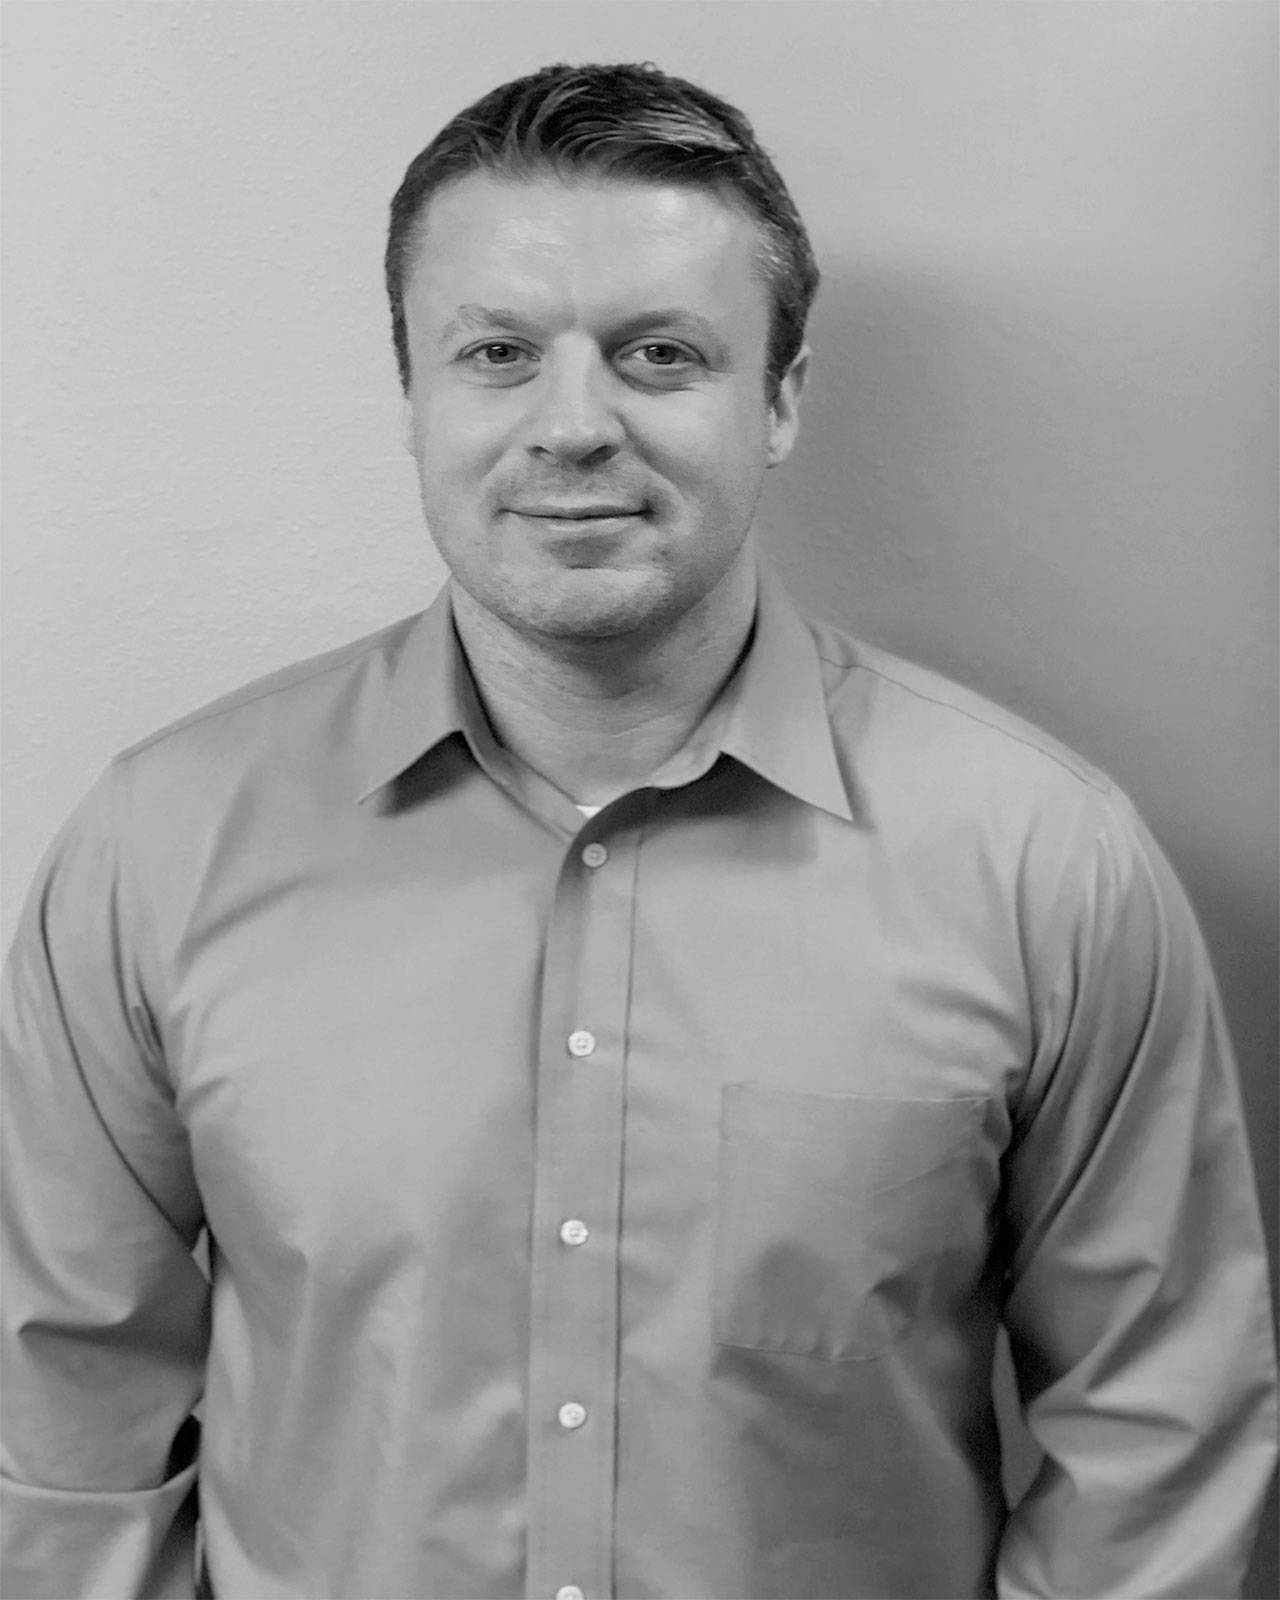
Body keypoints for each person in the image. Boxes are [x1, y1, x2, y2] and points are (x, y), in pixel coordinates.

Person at [1, 59, 1274, 1600]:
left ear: (780, 399)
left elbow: (1159, 1430)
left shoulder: (1041, 862)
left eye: (660, 354)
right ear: (413, 393)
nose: (573, 425)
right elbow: (63, 1422)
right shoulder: (160, 849)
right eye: (497, 353)